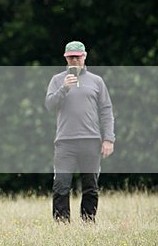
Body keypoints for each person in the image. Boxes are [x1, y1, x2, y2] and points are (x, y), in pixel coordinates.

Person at [44, 40, 115, 223]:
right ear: (65, 59)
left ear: (84, 56)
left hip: (91, 140)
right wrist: (64, 88)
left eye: (77, 57)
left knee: (90, 186)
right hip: (65, 142)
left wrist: (108, 139)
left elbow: (106, 110)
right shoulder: (57, 80)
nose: (74, 60)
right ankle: (62, 224)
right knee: (61, 184)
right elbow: (50, 105)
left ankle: (88, 222)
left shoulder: (96, 81)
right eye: (70, 57)